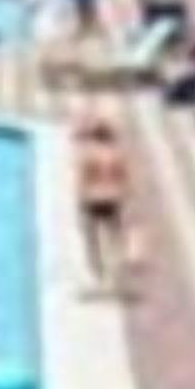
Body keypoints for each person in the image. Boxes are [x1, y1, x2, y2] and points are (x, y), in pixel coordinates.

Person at [73, 113, 134, 300]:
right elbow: (125, 180)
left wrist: (79, 202)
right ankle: (117, 276)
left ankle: (98, 276)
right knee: (114, 239)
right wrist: (126, 199)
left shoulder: (88, 155)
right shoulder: (117, 155)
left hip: (93, 199)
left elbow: (83, 181)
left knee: (92, 241)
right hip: (113, 199)